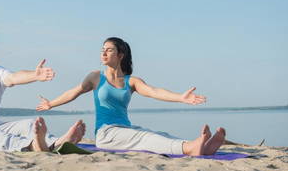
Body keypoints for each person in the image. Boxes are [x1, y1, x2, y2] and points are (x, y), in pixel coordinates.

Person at [37, 37, 225, 156]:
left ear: (120, 55)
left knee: (157, 134)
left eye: (109, 49)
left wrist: (180, 97)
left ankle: (204, 148)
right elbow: (73, 92)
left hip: (124, 129)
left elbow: (155, 91)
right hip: (106, 133)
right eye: (102, 49)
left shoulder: (131, 81)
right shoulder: (95, 77)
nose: (103, 52)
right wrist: (51, 104)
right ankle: (189, 148)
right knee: (145, 138)